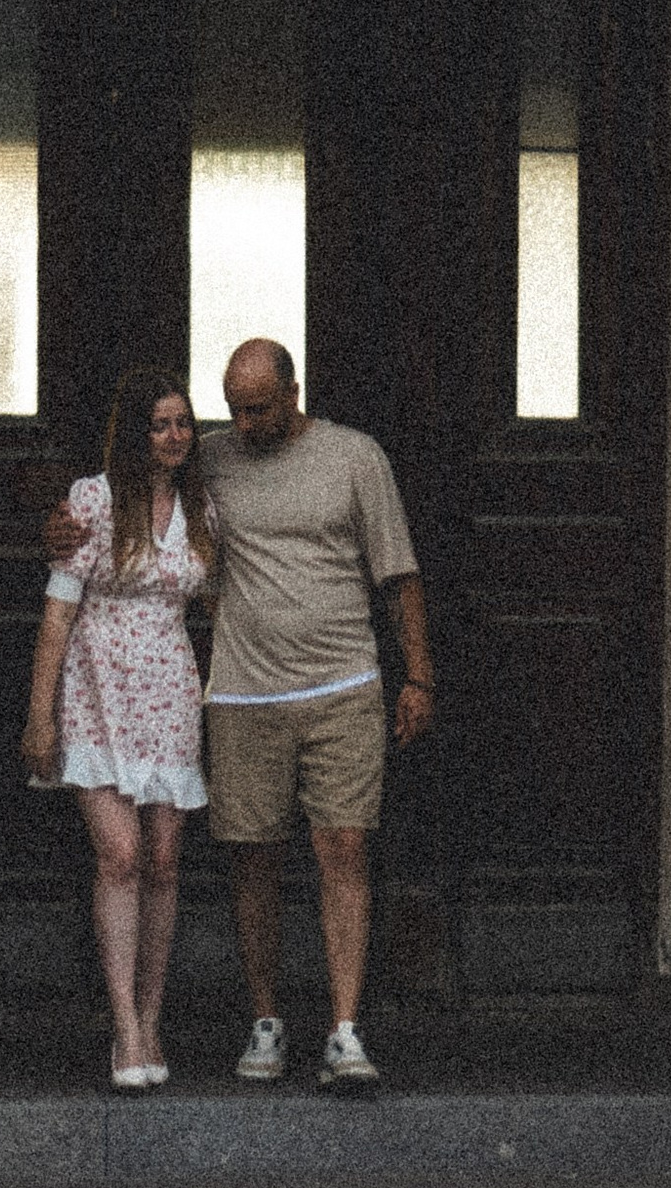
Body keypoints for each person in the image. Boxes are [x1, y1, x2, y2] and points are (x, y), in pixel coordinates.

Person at [52, 336, 433, 1088]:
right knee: (252, 856)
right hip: (243, 691)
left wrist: (417, 677)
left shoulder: (356, 458)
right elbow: (128, 485)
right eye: (231, 410)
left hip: (343, 683)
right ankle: (266, 1020)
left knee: (343, 851)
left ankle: (345, 1030)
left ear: (294, 393)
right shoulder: (211, 460)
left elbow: (399, 573)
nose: (242, 424)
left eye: (257, 409)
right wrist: (56, 527)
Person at [21, 370, 217, 1088]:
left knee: (165, 860)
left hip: (168, 689)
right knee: (121, 853)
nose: (174, 437)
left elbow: (218, 605)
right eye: (160, 425)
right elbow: (59, 612)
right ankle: (124, 1027)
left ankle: (154, 1017)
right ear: (136, 434)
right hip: (97, 687)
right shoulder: (93, 502)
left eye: (183, 424)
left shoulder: (202, 509)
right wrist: (39, 716)